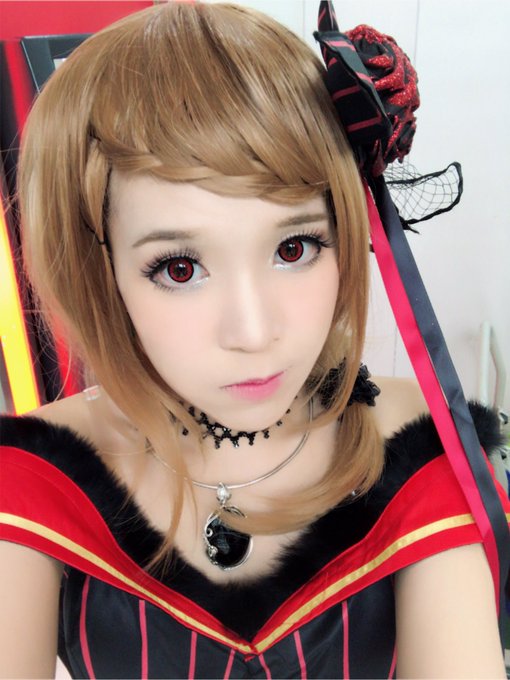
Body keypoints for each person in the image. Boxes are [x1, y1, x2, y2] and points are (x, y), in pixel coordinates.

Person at [1, 1, 508, 677]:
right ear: (100, 270)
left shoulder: (425, 449)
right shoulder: (34, 479)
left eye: (295, 247)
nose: (254, 331)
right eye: (180, 268)